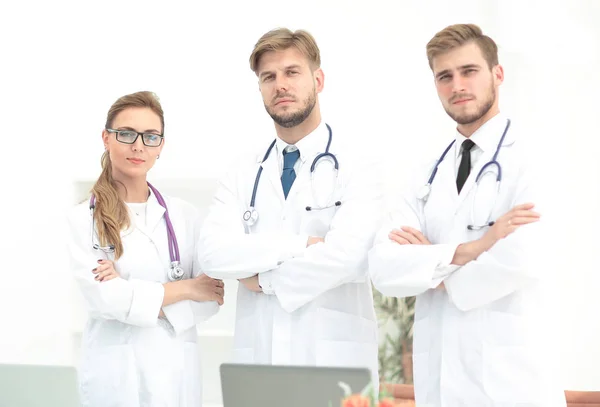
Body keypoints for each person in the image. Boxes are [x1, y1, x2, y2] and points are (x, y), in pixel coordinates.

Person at [368, 24, 566, 406]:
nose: (457, 84)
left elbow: (523, 256)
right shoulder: (426, 171)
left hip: (511, 383)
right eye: (445, 76)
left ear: (497, 74)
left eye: (469, 71)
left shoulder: (532, 156)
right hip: (440, 384)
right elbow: (383, 266)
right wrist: (478, 246)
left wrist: (432, 268)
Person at [197, 28, 383, 388]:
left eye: (292, 72)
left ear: (318, 79)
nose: (280, 84)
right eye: (269, 77)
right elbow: (213, 255)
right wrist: (300, 245)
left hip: (335, 364)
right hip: (259, 362)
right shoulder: (243, 171)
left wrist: (262, 279)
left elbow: (349, 257)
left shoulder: (357, 164)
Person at [67, 91, 225, 407]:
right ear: (106, 138)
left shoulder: (184, 216)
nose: (138, 146)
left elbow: (212, 298)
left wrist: (133, 295)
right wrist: (187, 288)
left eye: (151, 136)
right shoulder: (85, 218)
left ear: (160, 147)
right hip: (117, 380)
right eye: (126, 134)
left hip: (177, 374)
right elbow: (105, 299)